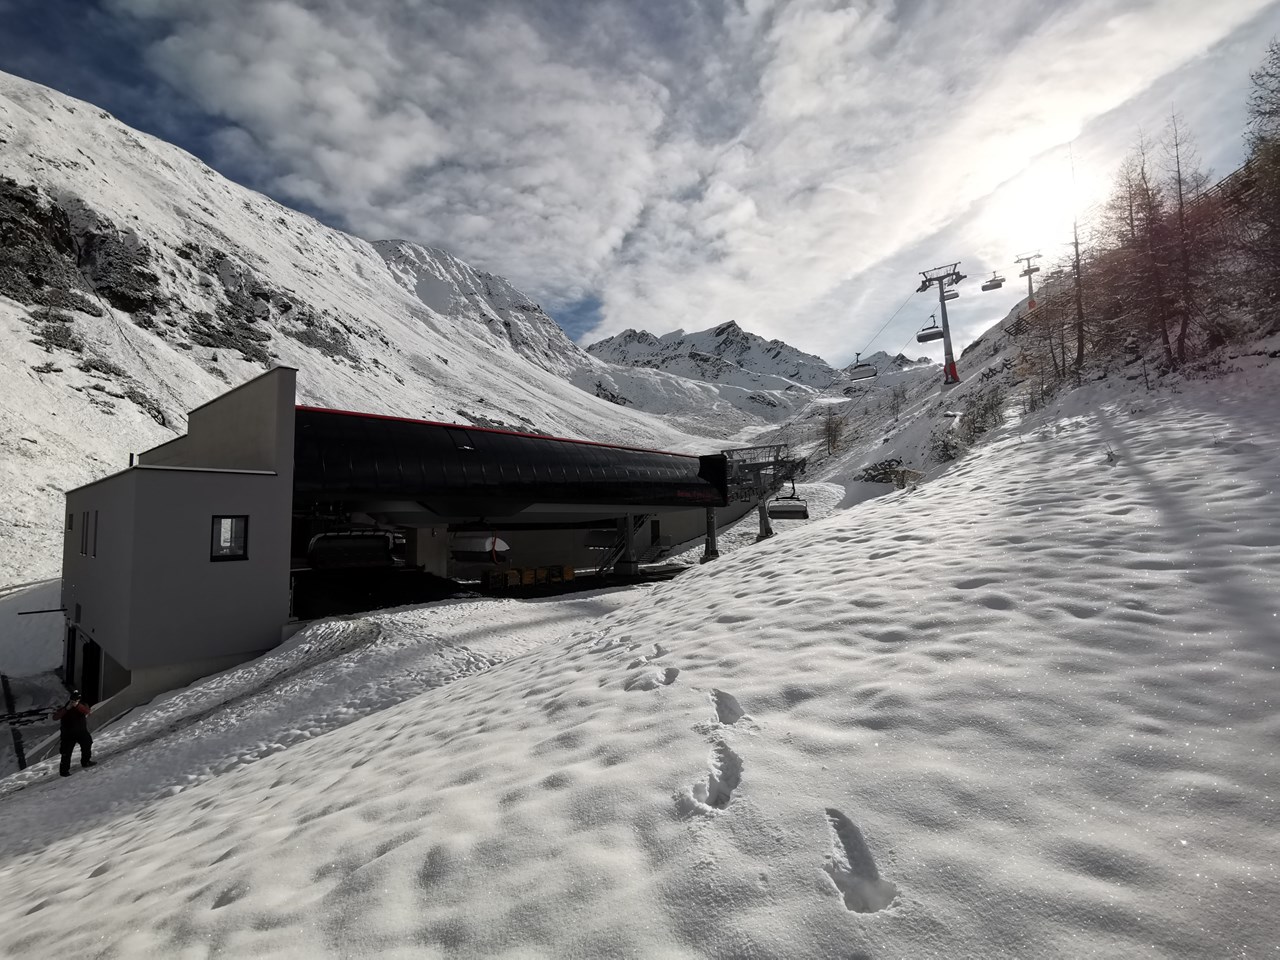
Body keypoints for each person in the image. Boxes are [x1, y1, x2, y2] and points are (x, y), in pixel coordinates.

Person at [53, 690, 95, 777]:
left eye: (75, 700)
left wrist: (77, 706)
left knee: (87, 744)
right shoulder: (66, 707)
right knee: (66, 752)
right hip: (67, 734)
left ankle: (86, 761)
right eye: (72, 700)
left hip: (81, 732)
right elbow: (55, 717)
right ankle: (64, 771)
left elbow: (87, 711)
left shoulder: (82, 705)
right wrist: (66, 709)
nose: (73, 702)